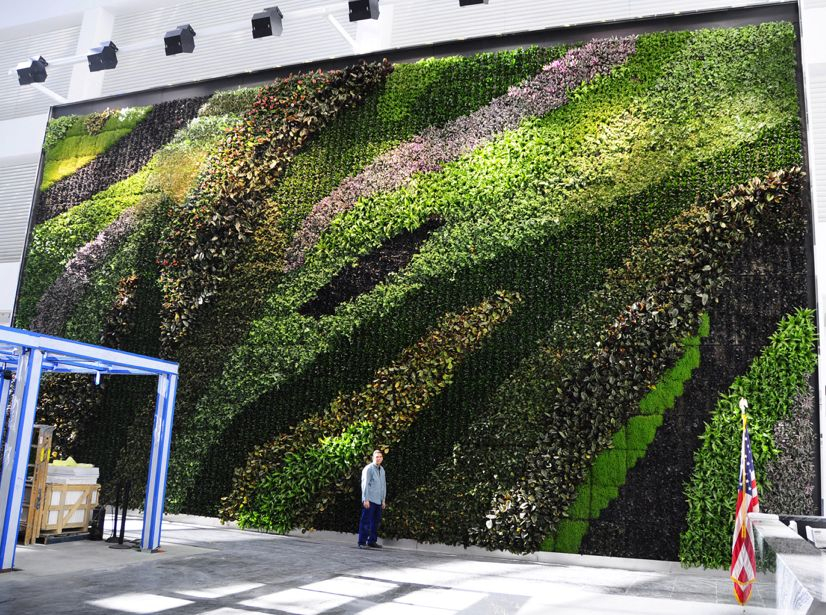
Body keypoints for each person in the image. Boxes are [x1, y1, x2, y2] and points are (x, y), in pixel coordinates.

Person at [358, 449, 386, 549]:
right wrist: (365, 499)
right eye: (376, 457)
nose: (378, 458)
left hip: (378, 500)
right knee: (366, 521)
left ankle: (372, 541)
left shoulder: (382, 470)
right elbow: (364, 484)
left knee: (376, 522)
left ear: (382, 458)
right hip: (370, 500)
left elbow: (383, 485)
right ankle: (362, 542)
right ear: (373, 458)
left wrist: (383, 500)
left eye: (380, 457)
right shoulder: (368, 469)